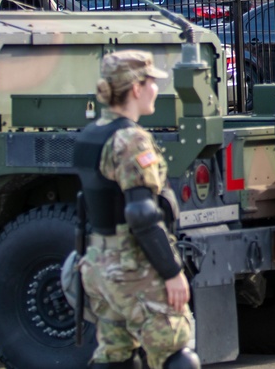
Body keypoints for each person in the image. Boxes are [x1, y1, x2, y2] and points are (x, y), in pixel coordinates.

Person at [76, 50, 199, 369]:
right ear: (135, 88)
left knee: (114, 356)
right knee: (176, 355)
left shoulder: (89, 135)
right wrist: (172, 272)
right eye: (152, 82)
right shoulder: (130, 140)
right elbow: (142, 213)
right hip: (134, 268)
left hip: (99, 267)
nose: (156, 89)